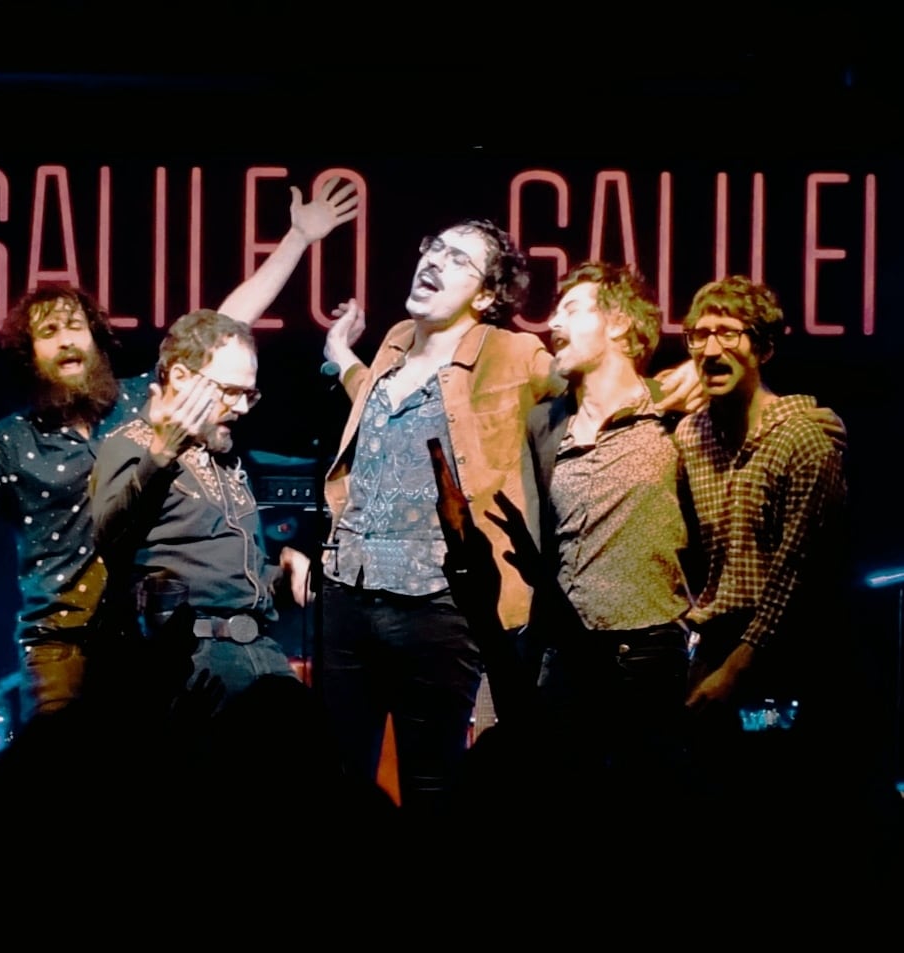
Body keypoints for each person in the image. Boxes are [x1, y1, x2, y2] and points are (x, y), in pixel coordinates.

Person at [0, 180, 359, 721]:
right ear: (30, 355)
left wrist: (296, 238)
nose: (66, 340)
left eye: (76, 327)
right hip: (61, 642)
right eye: (48, 332)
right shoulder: (13, 440)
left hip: (140, 635)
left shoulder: (140, 405)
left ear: (98, 338)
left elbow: (224, 332)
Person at [318, 221, 702, 819]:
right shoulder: (393, 341)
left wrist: (678, 381)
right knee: (336, 784)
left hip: (438, 606)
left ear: (485, 295)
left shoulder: (513, 352)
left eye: (459, 258)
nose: (436, 260)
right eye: (434, 247)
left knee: (433, 789)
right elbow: (377, 399)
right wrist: (340, 355)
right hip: (348, 590)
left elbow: (594, 385)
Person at [675, 275, 849, 866]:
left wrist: (737, 669)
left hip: (780, 656)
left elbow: (801, 573)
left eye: (728, 332)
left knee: (774, 807)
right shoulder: (692, 436)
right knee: (707, 815)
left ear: (764, 348)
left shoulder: (804, 439)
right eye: (698, 334)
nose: (709, 347)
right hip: (713, 645)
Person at [520, 261, 694, 811]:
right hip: (566, 659)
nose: (551, 322)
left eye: (571, 309)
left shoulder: (674, 417)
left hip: (649, 658)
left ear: (619, 324)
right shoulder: (544, 425)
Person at [89, 309, 311, 707]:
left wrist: (282, 574)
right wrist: (160, 456)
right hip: (188, 660)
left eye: (250, 394)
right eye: (230, 391)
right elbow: (109, 538)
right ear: (180, 377)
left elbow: (229, 572)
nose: (242, 408)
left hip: (258, 651)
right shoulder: (130, 445)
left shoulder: (223, 459)